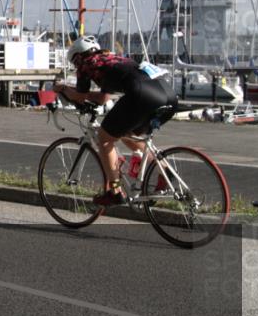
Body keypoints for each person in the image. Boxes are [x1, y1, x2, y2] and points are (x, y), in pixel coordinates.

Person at [52, 35, 177, 206]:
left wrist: (63, 88)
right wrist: (83, 95)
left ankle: (115, 191)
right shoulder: (111, 59)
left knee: (104, 138)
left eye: (74, 62)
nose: (76, 66)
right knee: (127, 134)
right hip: (167, 94)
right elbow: (103, 98)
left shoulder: (87, 63)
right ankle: (165, 171)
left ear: (79, 56)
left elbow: (80, 97)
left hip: (141, 94)